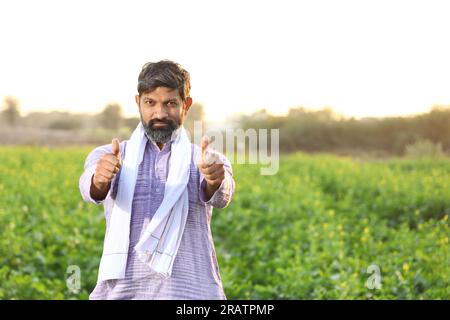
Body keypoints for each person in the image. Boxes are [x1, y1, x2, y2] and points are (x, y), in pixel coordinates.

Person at [79, 60, 235, 299]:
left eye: (170, 103)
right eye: (150, 102)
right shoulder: (109, 156)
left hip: (188, 293)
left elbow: (223, 194)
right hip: (123, 292)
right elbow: (90, 188)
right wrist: (100, 180)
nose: (159, 113)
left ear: (186, 105)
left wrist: (214, 180)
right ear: (138, 103)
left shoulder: (206, 159)